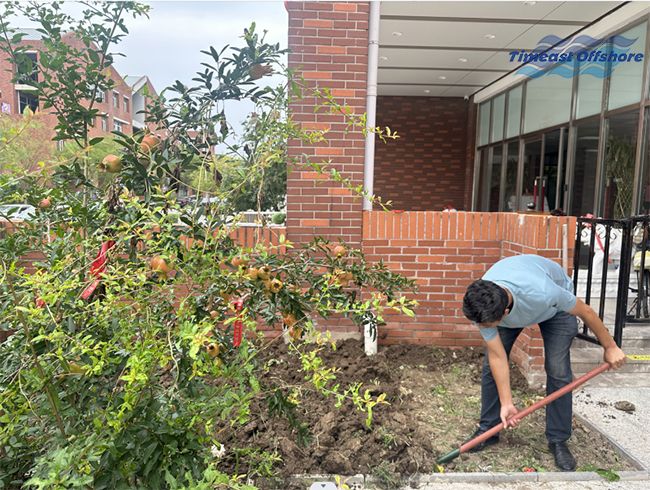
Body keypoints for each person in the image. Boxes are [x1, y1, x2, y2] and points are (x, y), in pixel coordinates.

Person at [462, 254, 626, 471]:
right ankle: (489, 429)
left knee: (558, 370)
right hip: (517, 299)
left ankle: (558, 439)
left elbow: (585, 311)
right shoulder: (483, 304)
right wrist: (507, 403)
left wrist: (610, 346)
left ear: (504, 313)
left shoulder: (544, 293)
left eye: (487, 324)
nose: (483, 327)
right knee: (490, 368)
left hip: (554, 310)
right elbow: (497, 356)